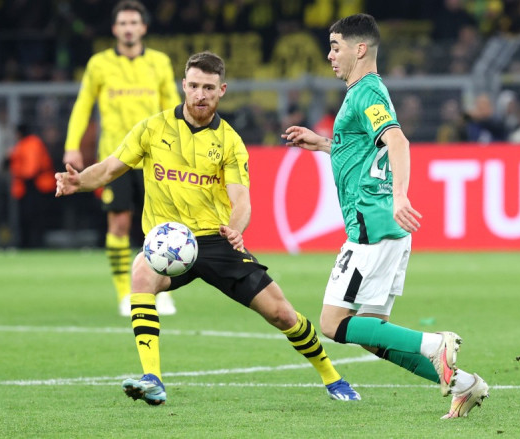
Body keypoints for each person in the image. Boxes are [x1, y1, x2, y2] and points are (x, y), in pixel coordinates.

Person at [55, 51, 360, 406]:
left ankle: (332, 376)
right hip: (168, 243)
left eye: (209, 88)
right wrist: (79, 181)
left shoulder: (229, 141)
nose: (200, 94)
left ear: (222, 90)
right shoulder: (152, 128)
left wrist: (235, 229)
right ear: (184, 86)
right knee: (141, 274)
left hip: (216, 240)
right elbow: (109, 169)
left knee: (281, 313)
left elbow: (241, 199)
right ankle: (152, 379)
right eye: (195, 86)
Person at [282, 13, 489, 419]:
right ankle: (464, 384)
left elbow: (397, 141)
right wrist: (323, 143)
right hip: (387, 229)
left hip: (371, 226)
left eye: (335, 47)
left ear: (360, 49)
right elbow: (367, 149)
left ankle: (435, 343)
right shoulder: (369, 92)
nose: (329, 55)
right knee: (374, 337)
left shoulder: (365, 93)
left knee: (332, 324)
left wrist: (399, 197)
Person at [63, 0, 181, 317]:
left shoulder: (159, 62)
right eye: (123, 23)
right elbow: (82, 105)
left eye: (134, 23)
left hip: (154, 157)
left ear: (143, 28)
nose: (129, 29)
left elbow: (173, 107)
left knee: (159, 228)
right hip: (115, 159)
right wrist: (72, 145)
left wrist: (180, 147)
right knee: (119, 224)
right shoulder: (99, 64)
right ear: (115, 29)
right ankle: (124, 294)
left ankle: (161, 290)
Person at [9, 124, 57, 248]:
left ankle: (33, 244)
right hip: (32, 186)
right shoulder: (27, 143)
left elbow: (30, 170)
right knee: (32, 217)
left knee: (33, 217)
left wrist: (19, 173)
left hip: (36, 187)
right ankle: (31, 243)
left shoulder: (30, 143)